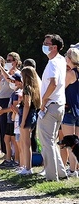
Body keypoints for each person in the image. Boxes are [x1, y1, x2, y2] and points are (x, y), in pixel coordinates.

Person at [38, 34, 68, 180]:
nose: (44, 45)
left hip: (50, 105)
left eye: (47, 43)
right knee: (51, 141)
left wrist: (44, 101)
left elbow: (53, 83)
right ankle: (61, 173)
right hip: (59, 104)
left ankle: (51, 176)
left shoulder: (53, 63)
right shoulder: (62, 60)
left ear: (54, 47)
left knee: (46, 142)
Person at [16, 66, 41, 175]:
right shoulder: (36, 88)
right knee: (27, 142)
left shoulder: (26, 88)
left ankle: (27, 167)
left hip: (26, 115)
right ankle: (27, 166)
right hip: (33, 114)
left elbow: (27, 105)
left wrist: (22, 121)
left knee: (25, 143)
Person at [61, 47, 79, 175]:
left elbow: (60, 89)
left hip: (69, 109)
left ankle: (72, 170)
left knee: (71, 143)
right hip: (78, 109)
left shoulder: (70, 74)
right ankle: (75, 168)